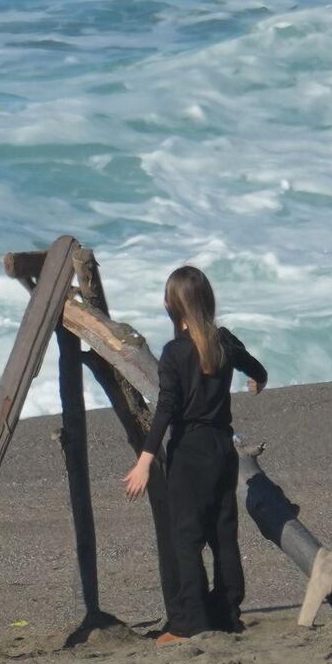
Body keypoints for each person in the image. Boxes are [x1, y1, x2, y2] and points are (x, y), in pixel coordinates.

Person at [121, 263, 269, 642]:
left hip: (189, 451)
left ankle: (190, 624)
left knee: (185, 539)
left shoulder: (175, 352)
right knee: (223, 535)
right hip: (223, 448)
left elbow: (167, 407)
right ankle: (227, 615)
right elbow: (258, 369)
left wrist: (145, 460)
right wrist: (257, 381)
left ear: (172, 306)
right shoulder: (223, 341)